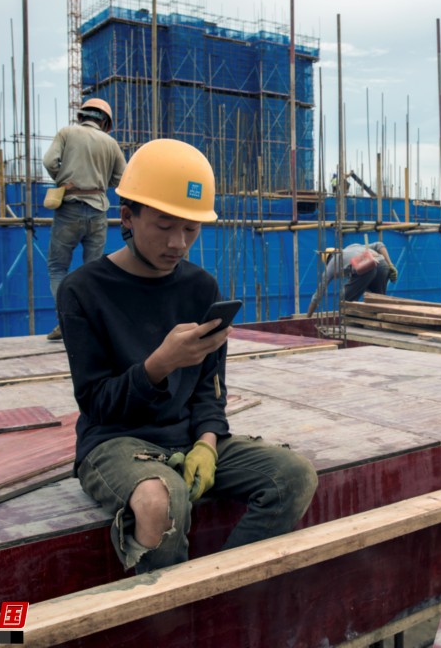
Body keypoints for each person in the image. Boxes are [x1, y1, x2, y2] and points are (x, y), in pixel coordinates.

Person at [57, 138, 318, 574]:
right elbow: (97, 404)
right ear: (127, 216)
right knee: (162, 501)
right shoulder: (83, 291)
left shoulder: (201, 289)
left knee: (292, 476)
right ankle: (167, 626)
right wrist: (160, 363)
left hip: (186, 436)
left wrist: (207, 444)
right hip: (116, 442)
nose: (178, 243)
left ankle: (220, 596)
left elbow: (209, 390)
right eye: (163, 225)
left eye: (191, 229)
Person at [42, 97, 127, 340]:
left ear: (81, 116)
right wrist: (101, 181)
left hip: (69, 206)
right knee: (92, 271)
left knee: (58, 267)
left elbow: (49, 161)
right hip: (98, 209)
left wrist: (62, 178)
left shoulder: (67, 133)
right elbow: (122, 177)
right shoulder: (110, 143)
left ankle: (67, 322)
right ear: (106, 123)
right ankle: (92, 325)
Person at [306, 242, 397, 317]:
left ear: (327, 261)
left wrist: (308, 316)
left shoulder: (331, 265)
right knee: (377, 300)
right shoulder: (352, 247)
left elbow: (318, 295)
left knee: (345, 302)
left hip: (367, 269)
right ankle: (380, 325)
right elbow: (379, 245)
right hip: (382, 264)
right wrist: (390, 265)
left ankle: (353, 325)